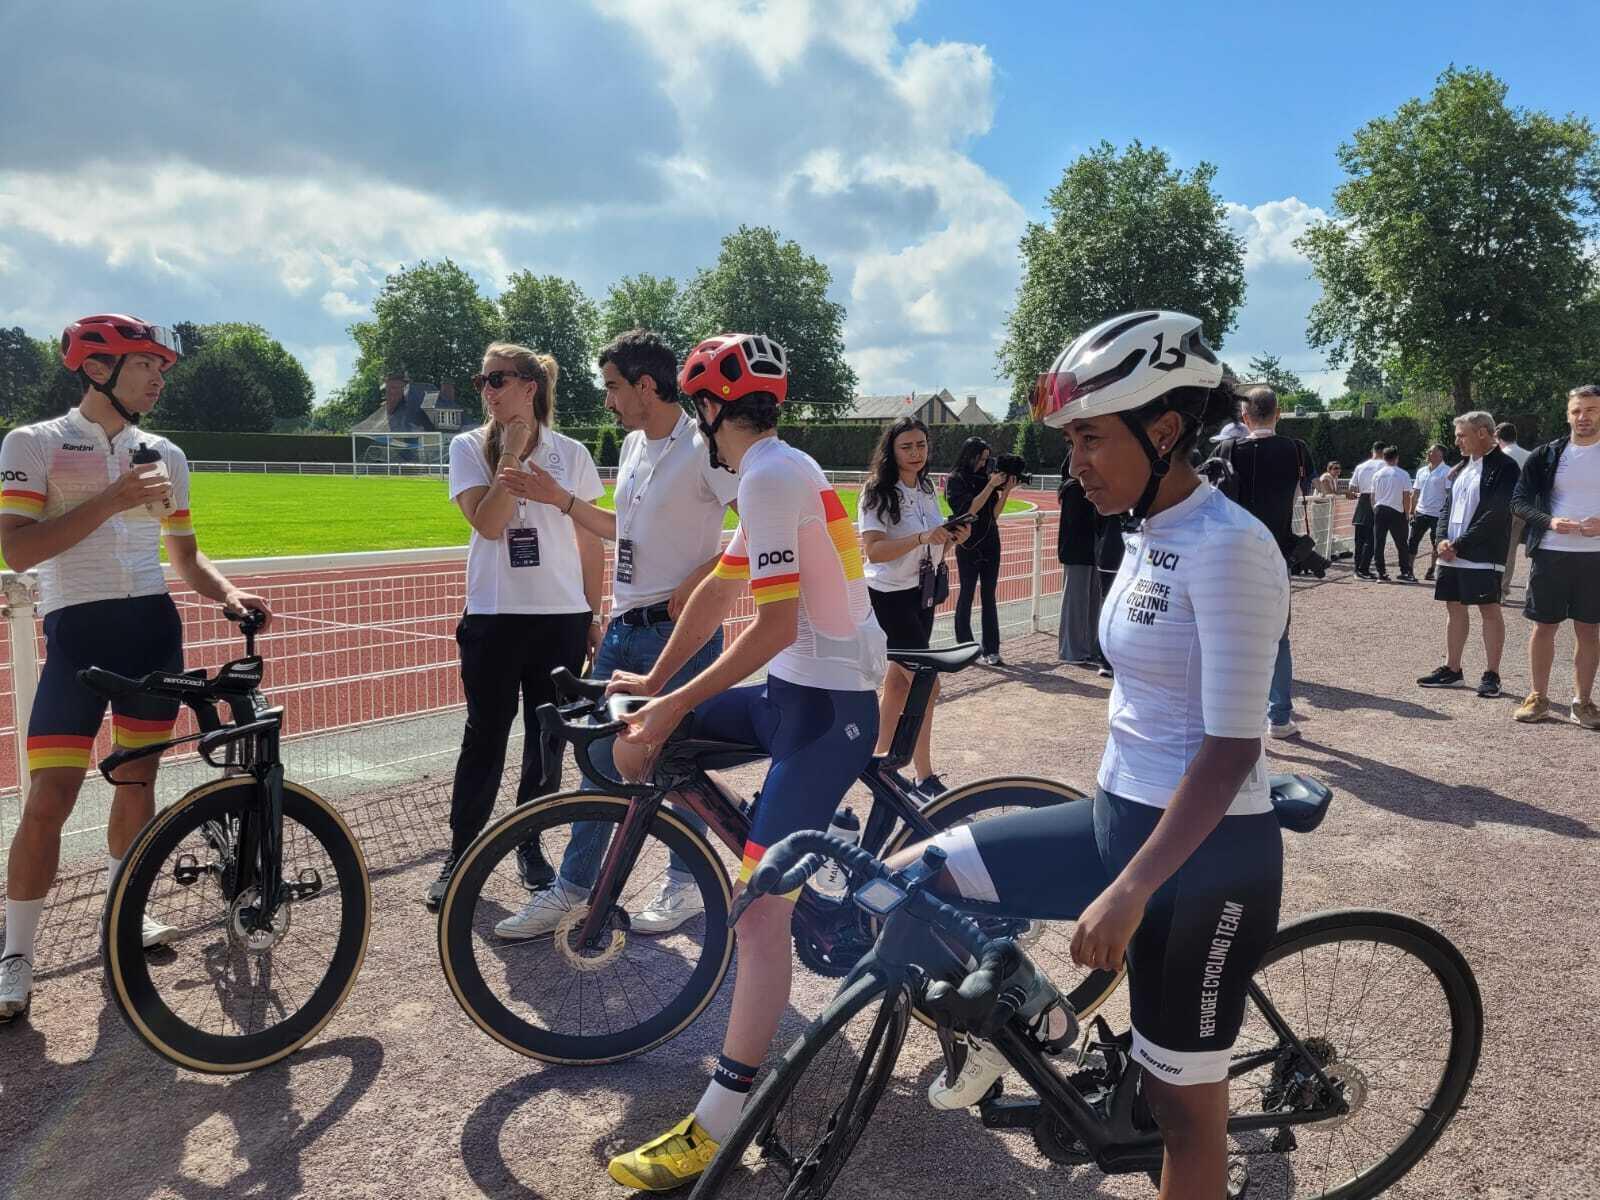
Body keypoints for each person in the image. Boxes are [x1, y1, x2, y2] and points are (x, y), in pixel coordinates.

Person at [898, 310, 1287, 1200]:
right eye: (1070, 440)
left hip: (1202, 862)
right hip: (1121, 818)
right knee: (909, 882)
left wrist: (1131, 889)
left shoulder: (1229, 546)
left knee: (1184, 1119)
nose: (1073, 463)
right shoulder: (1148, 528)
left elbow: (1230, 750)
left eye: (1090, 439)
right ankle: (1036, 1019)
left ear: (1162, 432)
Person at [601, 333, 886, 1191]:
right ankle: (798, 864)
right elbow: (721, 590)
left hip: (827, 709)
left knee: (758, 915)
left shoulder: (767, 475)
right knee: (661, 740)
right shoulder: (777, 467)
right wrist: (654, 682)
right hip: (796, 696)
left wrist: (672, 699)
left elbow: (765, 626)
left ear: (708, 409)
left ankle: (722, 1117)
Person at [0, 314, 273, 1022]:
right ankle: (16, 954)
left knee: (136, 783)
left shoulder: (166, 453)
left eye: (161, 366)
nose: (159, 377)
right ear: (97, 370)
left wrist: (227, 590)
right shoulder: (34, 444)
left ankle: (125, 914)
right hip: (78, 633)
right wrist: (114, 500)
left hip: (152, 629)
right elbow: (19, 553)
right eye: (146, 364)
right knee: (50, 800)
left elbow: (183, 555)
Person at [476, 329, 741, 933]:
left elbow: (751, 530)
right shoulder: (631, 447)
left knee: (675, 764)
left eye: (614, 387)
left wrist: (700, 577)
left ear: (647, 386)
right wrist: (560, 499)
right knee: (600, 760)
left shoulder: (704, 444)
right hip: (625, 627)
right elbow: (623, 529)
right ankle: (574, 889)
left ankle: (682, 884)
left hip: (677, 632)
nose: (608, 400)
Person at [423, 343, 605, 909]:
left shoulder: (572, 452)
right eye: (482, 380)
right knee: (485, 737)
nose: (487, 390)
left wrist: (593, 613)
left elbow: (589, 540)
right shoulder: (469, 447)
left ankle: (529, 846)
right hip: (495, 617)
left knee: (546, 743)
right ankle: (462, 852)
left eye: (496, 379)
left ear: (530, 386)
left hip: (561, 618)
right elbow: (491, 524)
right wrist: (515, 458)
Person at [859, 416, 969, 797]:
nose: (916, 453)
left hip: (921, 593)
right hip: (889, 596)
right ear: (891, 449)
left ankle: (880, 762)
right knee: (926, 683)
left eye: (921, 444)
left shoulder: (925, 487)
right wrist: (921, 536)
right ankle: (923, 775)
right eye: (907, 446)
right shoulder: (876, 492)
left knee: (898, 683)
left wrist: (950, 538)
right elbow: (873, 550)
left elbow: (932, 543)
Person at [1212, 385, 1312, 736]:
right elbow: (1305, 493)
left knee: (1223, 634)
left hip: (1232, 555)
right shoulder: (1296, 450)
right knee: (1278, 637)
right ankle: (1279, 716)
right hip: (1277, 555)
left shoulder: (1226, 449)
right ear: (1278, 413)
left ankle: (1228, 711)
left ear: (1244, 416)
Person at [1510, 386, 1600, 728]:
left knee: (1589, 630)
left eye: (1591, 410)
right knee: (1543, 626)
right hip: (1551, 553)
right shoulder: (1547, 454)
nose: (1584, 417)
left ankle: (1583, 702)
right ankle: (1538, 696)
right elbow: (1518, 501)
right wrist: (1550, 521)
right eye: (1577, 410)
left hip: (1595, 556)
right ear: (1568, 414)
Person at [1417, 412, 1520, 698]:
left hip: (1483, 552)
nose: (1456, 441)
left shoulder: (1506, 467)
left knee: (1489, 610)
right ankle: (1453, 670)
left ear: (1483, 433)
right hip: (1451, 552)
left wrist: (1459, 544)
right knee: (1454, 606)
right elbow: (1447, 509)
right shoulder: (1462, 467)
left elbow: (1495, 513)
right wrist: (1440, 540)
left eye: (1462, 435)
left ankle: (1492, 674)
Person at [944, 437, 1018, 666]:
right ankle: (965, 645)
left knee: (989, 595)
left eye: (987, 459)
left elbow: (993, 514)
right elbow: (969, 509)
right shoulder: (956, 480)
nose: (984, 464)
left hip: (990, 541)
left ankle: (992, 649)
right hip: (967, 543)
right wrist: (989, 486)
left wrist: (1005, 491)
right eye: (981, 459)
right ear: (970, 456)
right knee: (966, 593)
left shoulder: (987, 479)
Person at [1056, 451, 1102, 666]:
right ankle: (1072, 650)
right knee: (1076, 602)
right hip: (1077, 552)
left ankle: (1089, 648)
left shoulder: (1083, 489)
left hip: (1090, 551)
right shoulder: (1074, 490)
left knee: (1091, 602)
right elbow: (1078, 524)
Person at [1496, 421, 1533, 601]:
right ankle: (1513, 589)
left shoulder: (1499, 456)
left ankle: (1499, 590)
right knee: (1519, 549)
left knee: (1502, 549)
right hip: (1524, 508)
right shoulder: (1529, 455)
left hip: (1502, 508)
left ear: (1498, 436)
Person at [1371, 446, 1415, 582]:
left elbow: (1372, 496)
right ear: (1397, 458)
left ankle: (1381, 573)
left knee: (1379, 543)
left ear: (1384, 458)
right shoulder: (1403, 474)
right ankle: (1405, 572)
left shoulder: (1377, 474)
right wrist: (1407, 513)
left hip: (1379, 509)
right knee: (1402, 543)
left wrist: (1375, 509)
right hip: (1396, 510)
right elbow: (1406, 496)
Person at [1408, 444, 1451, 581]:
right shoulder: (1421, 471)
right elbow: (1415, 492)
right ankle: (1409, 570)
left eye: (1431, 451)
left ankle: (1431, 570)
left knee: (1436, 544)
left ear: (1440, 454)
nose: (1428, 453)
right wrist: (1411, 511)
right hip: (1421, 512)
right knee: (1412, 541)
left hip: (1438, 514)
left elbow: (1449, 494)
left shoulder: (1447, 471)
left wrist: (1447, 513)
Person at [1348, 441, 1386, 579]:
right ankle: (1363, 569)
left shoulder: (1360, 466)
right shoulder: (1385, 465)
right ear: (1384, 451)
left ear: (1372, 451)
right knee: (1372, 539)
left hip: (1362, 501)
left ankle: (1357, 569)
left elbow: (1352, 488)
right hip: (1377, 501)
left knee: (1359, 539)